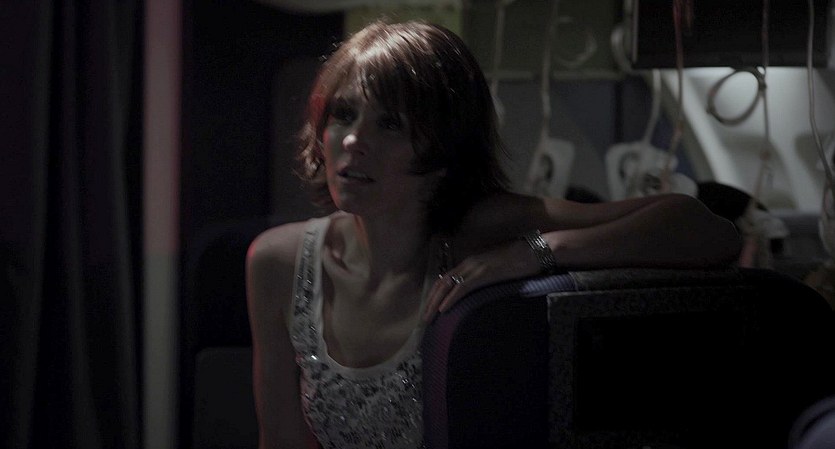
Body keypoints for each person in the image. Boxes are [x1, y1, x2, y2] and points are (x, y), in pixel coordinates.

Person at [245, 20, 742, 449]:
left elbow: (707, 231)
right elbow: (281, 440)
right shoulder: (279, 262)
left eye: (390, 123)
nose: (354, 139)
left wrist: (538, 252)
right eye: (343, 114)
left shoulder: (485, 227)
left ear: (442, 153)